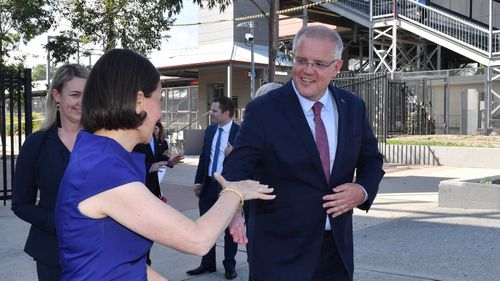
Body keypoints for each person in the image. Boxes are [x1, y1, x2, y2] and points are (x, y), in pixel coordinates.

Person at [54, 48, 275, 281]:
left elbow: (122, 261)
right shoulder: (102, 168)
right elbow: (198, 239)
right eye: (158, 100)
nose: (160, 114)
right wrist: (234, 192)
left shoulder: (102, 156)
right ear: (139, 102)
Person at [223, 26, 385, 281]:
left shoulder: (353, 107)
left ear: (337, 66)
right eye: (301, 61)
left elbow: (372, 160)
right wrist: (233, 209)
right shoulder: (264, 110)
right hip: (279, 255)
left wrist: (362, 190)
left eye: (319, 64)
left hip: (336, 253)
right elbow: (236, 168)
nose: (307, 71)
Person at [11, 64, 89, 281]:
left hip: (100, 252)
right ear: (56, 95)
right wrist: (57, 223)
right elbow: (20, 204)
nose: (81, 102)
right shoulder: (37, 144)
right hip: (52, 253)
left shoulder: (104, 140)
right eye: (74, 94)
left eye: (87, 94)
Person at [187, 96, 240, 280]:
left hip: (228, 188)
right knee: (206, 226)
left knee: (229, 228)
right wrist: (197, 181)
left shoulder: (240, 133)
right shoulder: (210, 130)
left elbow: (247, 162)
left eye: (215, 110)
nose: (211, 113)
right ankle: (207, 264)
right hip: (208, 185)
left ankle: (229, 266)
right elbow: (204, 157)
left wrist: (234, 154)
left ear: (226, 113)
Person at [133, 121, 183, 202]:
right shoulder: (134, 135)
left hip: (153, 184)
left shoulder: (152, 136)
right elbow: (127, 158)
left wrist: (169, 161)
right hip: (140, 184)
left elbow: (156, 155)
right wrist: (148, 167)